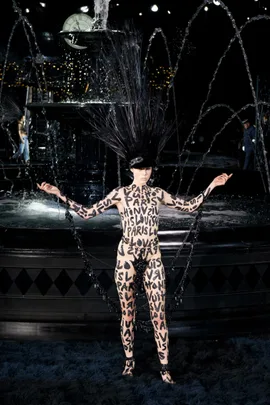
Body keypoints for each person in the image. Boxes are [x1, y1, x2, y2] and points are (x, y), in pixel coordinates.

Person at [37, 164, 232, 384]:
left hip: (152, 258)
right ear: (132, 169)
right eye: (140, 168)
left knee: (158, 316)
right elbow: (88, 213)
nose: (145, 172)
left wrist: (211, 186)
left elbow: (188, 206)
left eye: (148, 168)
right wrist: (59, 194)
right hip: (127, 258)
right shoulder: (120, 193)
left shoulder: (156, 193)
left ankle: (165, 368)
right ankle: (129, 363)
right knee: (127, 314)